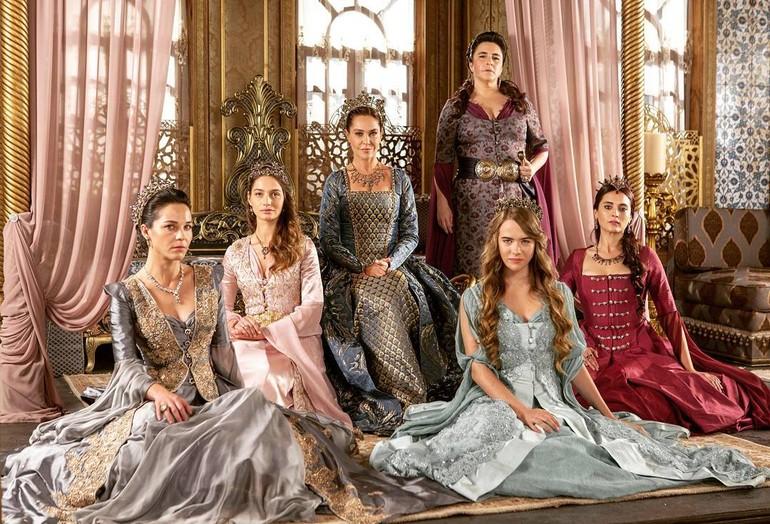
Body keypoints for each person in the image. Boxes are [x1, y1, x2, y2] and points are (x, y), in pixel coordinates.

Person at [1, 181, 461, 522]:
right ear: (146, 232)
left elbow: (222, 353)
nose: (182, 236)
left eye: (187, 227)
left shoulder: (207, 276)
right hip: (156, 402)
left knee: (267, 436)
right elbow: (126, 366)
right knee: (148, 455)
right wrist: (157, 393)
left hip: (214, 394)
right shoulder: (125, 292)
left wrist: (240, 400)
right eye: (170, 227)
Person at [370, 196, 767, 501]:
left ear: (535, 245)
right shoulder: (475, 298)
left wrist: (607, 416)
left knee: (585, 449)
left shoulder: (557, 294)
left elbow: (572, 362)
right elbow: (478, 369)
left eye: (524, 241)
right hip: (497, 402)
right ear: (496, 244)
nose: (515, 250)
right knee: (502, 446)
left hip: (555, 401)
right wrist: (522, 411)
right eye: (507, 241)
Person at [561, 177, 770, 433]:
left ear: (631, 217)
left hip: (639, 351)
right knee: (582, 400)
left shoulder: (646, 257)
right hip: (594, 353)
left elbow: (669, 314)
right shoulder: (578, 259)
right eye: (608, 207)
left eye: (623, 208)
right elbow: (556, 307)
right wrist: (576, 345)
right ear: (596, 213)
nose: (615, 213)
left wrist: (690, 369)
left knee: (668, 402)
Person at [320, 92, 461, 435]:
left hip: (395, 268)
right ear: (347, 136)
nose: (366, 141)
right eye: (359, 133)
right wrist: (361, 267)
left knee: (401, 294)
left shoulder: (399, 179)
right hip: (351, 273)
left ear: (382, 134)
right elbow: (328, 239)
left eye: (373, 133)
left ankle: (418, 391)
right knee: (378, 301)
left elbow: (411, 234)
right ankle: (405, 396)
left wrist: (391, 262)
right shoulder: (336, 182)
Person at [221, 162, 351, 426]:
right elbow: (222, 306)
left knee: (270, 376)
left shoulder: (303, 247)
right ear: (249, 199)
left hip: (293, 339)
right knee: (240, 367)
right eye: (259, 194)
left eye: (275, 194)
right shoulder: (235, 251)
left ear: (284, 200)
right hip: (246, 340)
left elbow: (313, 304)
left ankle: (270, 432)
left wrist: (269, 330)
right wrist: (236, 323)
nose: (267, 201)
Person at [426, 30, 556, 277]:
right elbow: (442, 161)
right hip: (470, 202)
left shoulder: (521, 105)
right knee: (475, 266)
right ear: (471, 63)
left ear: (502, 64)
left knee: (515, 263)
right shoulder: (455, 108)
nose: (489, 62)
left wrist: (532, 167)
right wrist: (443, 203)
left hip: (517, 197)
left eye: (495, 58)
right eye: (483, 56)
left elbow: (542, 148)